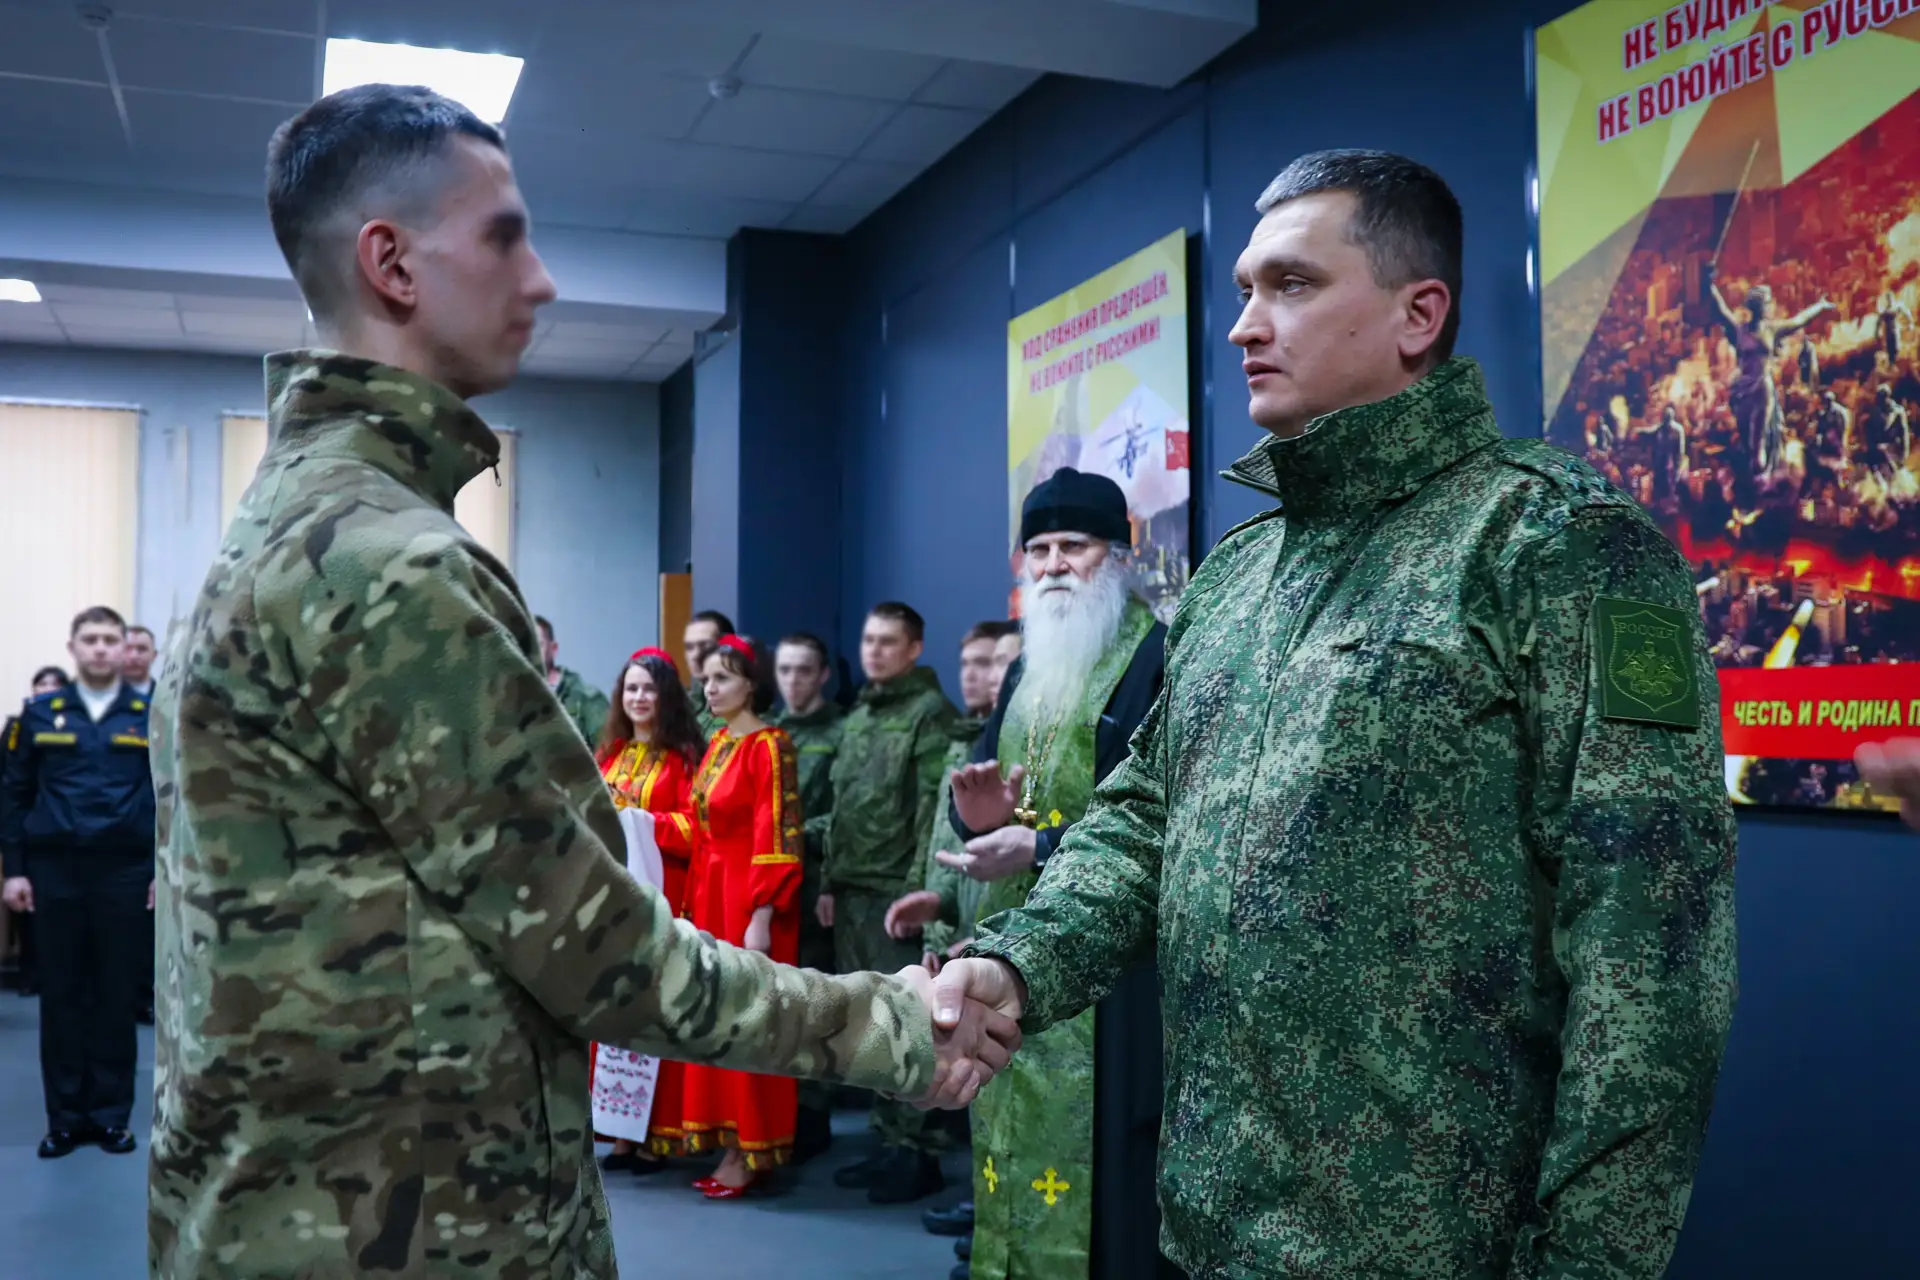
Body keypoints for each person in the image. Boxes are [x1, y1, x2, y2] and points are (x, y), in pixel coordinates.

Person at [148, 83, 1016, 1277]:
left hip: (300, 1206)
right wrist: (894, 1021)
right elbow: (602, 952)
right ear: (390, 263)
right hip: (413, 1223)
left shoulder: (285, 527)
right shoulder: (396, 568)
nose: (543, 279)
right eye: (504, 237)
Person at [937, 149, 1739, 1279]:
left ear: (1420, 314)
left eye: (1293, 285)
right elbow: (1143, 821)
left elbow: (1651, 950)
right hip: (1209, 1227)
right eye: (1244, 291)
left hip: (1433, 1248)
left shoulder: (1557, 544)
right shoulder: (1237, 572)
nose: (1244, 326)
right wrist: (1019, 964)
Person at [937, 475, 1170, 1280]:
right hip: (1013, 945)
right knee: (1007, 1138)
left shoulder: (1157, 657)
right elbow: (985, 792)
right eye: (1038, 550)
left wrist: (1038, 848)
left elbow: (1166, 816)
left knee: (1111, 1171)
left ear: (1118, 556)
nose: (1054, 566)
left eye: (1075, 546)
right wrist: (978, 819)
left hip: (1117, 966)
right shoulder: (1023, 669)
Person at [886, 619, 1020, 1258]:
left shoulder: (1022, 745)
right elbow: (946, 847)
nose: (982, 676)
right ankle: (986, 1210)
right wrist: (939, 913)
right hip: (966, 932)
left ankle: (998, 1218)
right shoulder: (969, 743)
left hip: (1008, 944)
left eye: (996, 662)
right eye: (972, 663)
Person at [1, 606, 155, 1160]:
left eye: (111, 639)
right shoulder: (40, 714)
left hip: (124, 870)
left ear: (124, 647)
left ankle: (110, 1118)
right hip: (55, 870)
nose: (101, 648)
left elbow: (170, 796)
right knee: (62, 995)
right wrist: (15, 869)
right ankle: (65, 1120)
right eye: (90, 639)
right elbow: (14, 794)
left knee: (116, 995)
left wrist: (160, 870)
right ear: (73, 647)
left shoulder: (149, 713)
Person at [824, 601, 961, 1203]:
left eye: (887, 642)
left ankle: (918, 1150)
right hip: (853, 889)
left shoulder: (929, 714)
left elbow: (931, 812)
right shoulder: (860, 713)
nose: (874, 651)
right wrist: (829, 881)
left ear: (914, 649)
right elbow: (844, 808)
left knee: (907, 1018)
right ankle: (887, 1139)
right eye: (868, 640)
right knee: (869, 1021)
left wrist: (913, 889)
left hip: (893, 893)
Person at [670, 635, 807, 1195]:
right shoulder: (719, 742)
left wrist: (762, 915)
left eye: (723, 678)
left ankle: (752, 1152)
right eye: (706, 678)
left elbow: (777, 834)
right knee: (717, 1020)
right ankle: (729, 1141)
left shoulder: (769, 745)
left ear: (751, 684)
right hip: (712, 895)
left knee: (749, 1020)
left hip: (749, 902)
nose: (710, 688)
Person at [588, 647, 705, 1176]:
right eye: (631, 688)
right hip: (613, 902)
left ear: (666, 696)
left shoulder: (685, 759)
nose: (638, 697)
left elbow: (694, 829)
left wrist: (641, 820)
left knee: (656, 1011)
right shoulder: (608, 754)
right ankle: (620, 1133)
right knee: (615, 1012)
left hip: (663, 895)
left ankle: (658, 1136)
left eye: (649, 689)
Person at [769, 631, 842, 1160]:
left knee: (815, 998)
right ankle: (778, 1111)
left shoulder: (840, 733)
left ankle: (813, 1113)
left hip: (817, 881)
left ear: (822, 675)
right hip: (775, 886)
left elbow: (846, 813)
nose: (792, 681)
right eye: (785, 670)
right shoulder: (769, 732)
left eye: (803, 670)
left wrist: (790, 834)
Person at [1706, 263, 1835, 478]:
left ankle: (1762, 473)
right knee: (1747, 441)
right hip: (1742, 390)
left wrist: (1819, 306)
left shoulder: (1772, 330)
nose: (1770, 307)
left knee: (1759, 446)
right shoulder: (1739, 330)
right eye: (1767, 303)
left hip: (1762, 388)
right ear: (1759, 307)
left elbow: (1799, 321)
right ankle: (1753, 477)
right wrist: (1708, 283)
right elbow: (1720, 310)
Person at [1, 666, 67, 998]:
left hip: (61, 827)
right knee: (26, 908)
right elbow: (10, 777)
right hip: (27, 826)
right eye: (40, 685)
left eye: (54, 686)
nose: (46, 691)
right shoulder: (19, 725)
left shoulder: (75, 725)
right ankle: (30, 972)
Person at [537, 614, 610, 743]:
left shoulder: (587, 698)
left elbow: (614, 750)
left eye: (537, 645)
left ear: (553, 649)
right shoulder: (510, 701)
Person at [684, 609, 735, 737]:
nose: (695, 655)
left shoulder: (746, 711)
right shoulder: (681, 706)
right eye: (689, 647)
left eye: (705, 645)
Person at [1861, 385, 1911, 480]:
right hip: (1877, 451)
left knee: (1896, 477)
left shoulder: (1898, 411)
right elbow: (1869, 433)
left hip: (1893, 448)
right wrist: (1870, 449)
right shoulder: (1873, 411)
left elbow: (1904, 433)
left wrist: (1904, 453)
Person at [121, 625, 157, 698]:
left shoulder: (168, 696)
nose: (134, 656)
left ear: (154, 656)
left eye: (142, 649)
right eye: (126, 648)